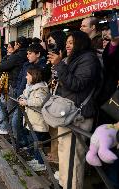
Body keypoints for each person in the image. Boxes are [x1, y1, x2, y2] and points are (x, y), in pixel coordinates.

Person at [48, 31, 101, 189]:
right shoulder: (73, 59)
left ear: (81, 43)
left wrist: (60, 65)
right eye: (67, 42)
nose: (67, 45)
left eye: (71, 42)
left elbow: (77, 84)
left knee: (74, 158)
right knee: (65, 154)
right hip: (69, 114)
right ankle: (64, 184)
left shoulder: (89, 59)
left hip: (79, 115)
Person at [18, 65, 50, 171]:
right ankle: (36, 160)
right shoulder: (30, 87)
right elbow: (24, 94)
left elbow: (39, 101)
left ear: (34, 76)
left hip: (38, 121)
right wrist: (21, 98)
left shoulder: (41, 88)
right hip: (32, 120)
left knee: (38, 143)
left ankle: (41, 163)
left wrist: (26, 102)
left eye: (28, 75)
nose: (26, 77)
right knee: (34, 141)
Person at [45, 30, 67, 163]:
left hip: (62, 98)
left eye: (52, 41)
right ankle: (53, 154)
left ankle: (57, 158)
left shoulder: (65, 58)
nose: (50, 45)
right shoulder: (52, 56)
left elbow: (65, 78)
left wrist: (58, 63)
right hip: (53, 95)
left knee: (60, 131)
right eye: (48, 42)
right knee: (53, 129)